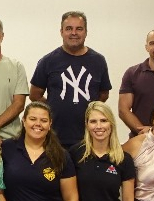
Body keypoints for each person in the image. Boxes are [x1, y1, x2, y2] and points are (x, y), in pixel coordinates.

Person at [30, 11, 112, 149]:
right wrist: (52, 109)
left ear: (86, 32)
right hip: (56, 138)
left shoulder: (98, 61)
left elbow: (104, 94)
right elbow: (34, 95)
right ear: (61, 32)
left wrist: (89, 111)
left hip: (89, 138)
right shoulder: (48, 61)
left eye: (79, 29)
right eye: (69, 28)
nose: (74, 33)